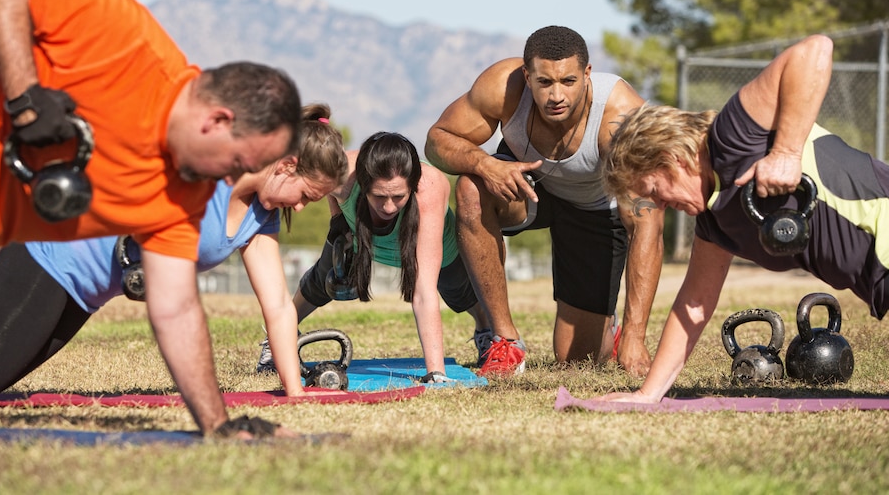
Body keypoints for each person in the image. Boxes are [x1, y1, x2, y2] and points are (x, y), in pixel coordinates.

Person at [0, 0, 302, 437]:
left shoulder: (183, 194)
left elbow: (174, 307)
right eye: (239, 163)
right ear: (218, 121)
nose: (230, 180)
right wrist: (24, 99)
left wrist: (217, 425)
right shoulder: (126, 40)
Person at [0, 105, 347, 426]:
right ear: (286, 166)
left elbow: (278, 307)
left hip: (81, 295)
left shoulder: (260, 217)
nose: (303, 209)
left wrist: (294, 392)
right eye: (306, 195)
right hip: (47, 257)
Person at [593, 33, 889, 402]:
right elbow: (694, 304)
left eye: (654, 190)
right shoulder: (714, 223)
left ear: (672, 159)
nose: (661, 206)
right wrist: (648, 395)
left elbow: (816, 50)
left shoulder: (734, 135)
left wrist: (785, 152)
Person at [425, 25, 664, 376]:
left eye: (568, 82)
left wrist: (635, 334)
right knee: (471, 188)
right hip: (528, 185)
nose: (556, 96)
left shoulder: (620, 118)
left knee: (577, 360)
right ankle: (503, 341)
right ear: (527, 75)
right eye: (544, 83)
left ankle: (609, 332)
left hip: (594, 208)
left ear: (587, 74)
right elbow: (437, 140)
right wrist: (484, 163)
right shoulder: (503, 86)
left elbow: (647, 224)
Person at [257, 132, 491, 382]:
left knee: (463, 294)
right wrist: (338, 220)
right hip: (361, 237)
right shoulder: (343, 175)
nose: (389, 207)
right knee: (320, 280)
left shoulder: (430, 188)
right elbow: (313, 185)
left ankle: (485, 330)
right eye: (379, 196)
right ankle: (278, 337)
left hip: (435, 251)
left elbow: (423, 293)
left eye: (398, 197)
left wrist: (435, 372)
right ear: (363, 183)